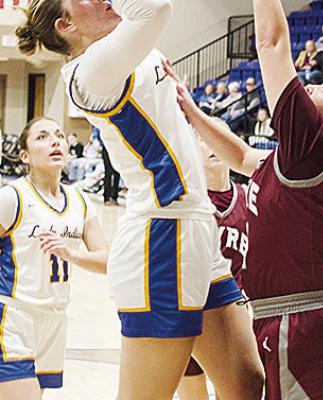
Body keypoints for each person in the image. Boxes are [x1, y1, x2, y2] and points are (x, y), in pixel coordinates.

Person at [15, 1, 264, 399]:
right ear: (66, 25)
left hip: (197, 226)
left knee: (246, 383)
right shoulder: (88, 71)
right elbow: (157, 9)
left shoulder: (130, 44)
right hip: (161, 236)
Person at [163, 0, 323, 398]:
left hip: (305, 325)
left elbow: (272, 43)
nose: (310, 87)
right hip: (298, 320)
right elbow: (240, 156)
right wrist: (190, 109)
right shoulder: (308, 159)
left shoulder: (314, 145)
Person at [0, 117, 108, 400]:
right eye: (43, 136)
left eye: (59, 135)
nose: (55, 141)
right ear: (25, 155)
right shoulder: (12, 197)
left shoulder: (80, 201)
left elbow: (107, 260)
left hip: (55, 321)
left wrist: (72, 254)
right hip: (13, 317)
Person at [178, 120, 253, 400]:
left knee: (238, 391)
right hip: (190, 313)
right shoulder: (185, 200)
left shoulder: (248, 199)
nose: (214, 145)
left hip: (232, 315)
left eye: (222, 137)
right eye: (205, 139)